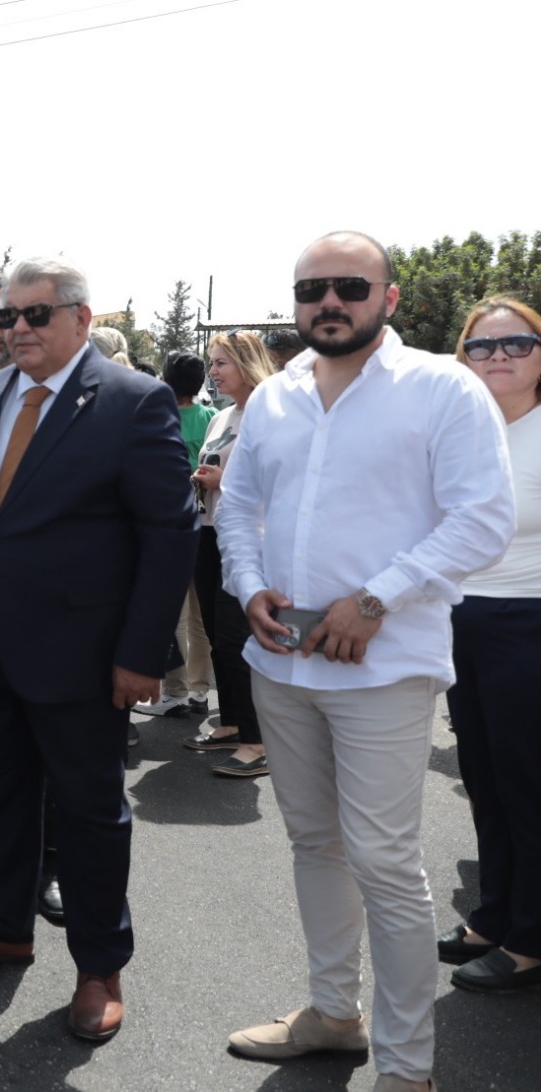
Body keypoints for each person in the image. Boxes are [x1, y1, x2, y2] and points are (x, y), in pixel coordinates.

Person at [218, 232, 515, 1092]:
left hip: (384, 668)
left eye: (351, 286)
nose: (329, 302)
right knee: (314, 843)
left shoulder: (441, 387)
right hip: (282, 662)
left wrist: (375, 600)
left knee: (385, 863)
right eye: (312, 289)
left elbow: (482, 518)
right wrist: (248, 586)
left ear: (388, 298)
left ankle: (409, 1069)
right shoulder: (276, 399)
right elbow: (238, 505)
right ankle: (333, 1014)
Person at [0, 256, 197, 1043]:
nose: (18, 329)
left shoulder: (132, 401)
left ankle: (99, 967)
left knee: (88, 814)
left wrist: (141, 652)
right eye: (8, 317)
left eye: (35, 314)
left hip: (84, 654)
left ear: (81, 317)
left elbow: (168, 533)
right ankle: (1, 927)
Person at [437, 296, 541, 995]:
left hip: (529, 623)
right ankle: (495, 913)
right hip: (461, 619)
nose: (498, 355)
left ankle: (530, 935)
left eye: (517, 343)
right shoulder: (462, 431)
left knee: (526, 783)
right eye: (481, 345)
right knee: (483, 779)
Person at [184, 331, 275, 776]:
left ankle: (258, 741)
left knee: (238, 638)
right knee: (219, 636)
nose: (213, 372)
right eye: (211, 363)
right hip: (208, 533)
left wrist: (225, 482)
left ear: (246, 362)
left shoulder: (270, 413)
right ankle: (234, 723)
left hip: (248, 540)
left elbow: (279, 480)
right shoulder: (221, 417)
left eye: (221, 363)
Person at [134, 351, 215, 721]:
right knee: (201, 615)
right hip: (208, 523)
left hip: (169, 524)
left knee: (174, 612)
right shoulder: (212, 417)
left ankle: (175, 692)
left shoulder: (158, 416)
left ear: (165, 379)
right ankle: (200, 690)